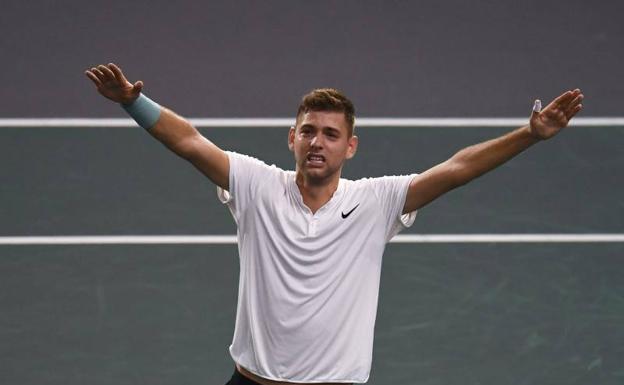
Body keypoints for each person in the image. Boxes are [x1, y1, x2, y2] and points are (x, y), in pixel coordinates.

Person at [85, 63, 583, 385]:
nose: (317, 142)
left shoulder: (377, 201)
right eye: (308, 131)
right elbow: (190, 141)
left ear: (351, 146)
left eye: (330, 133)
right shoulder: (257, 186)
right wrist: (133, 101)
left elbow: (456, 169)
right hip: (251, 380)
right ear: (292, 139)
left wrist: (528, 136)